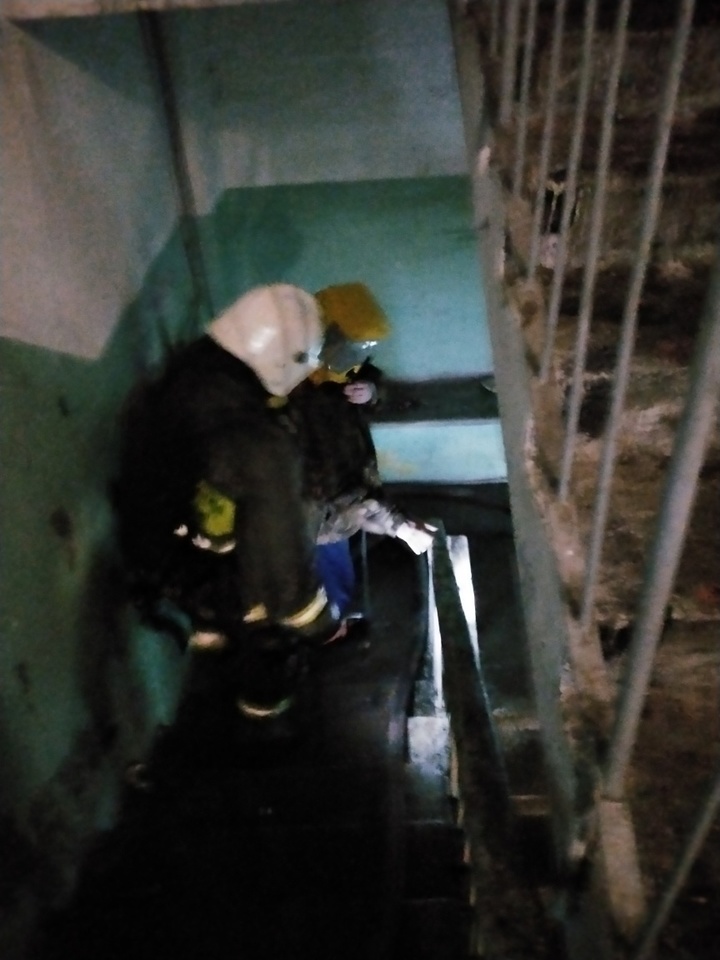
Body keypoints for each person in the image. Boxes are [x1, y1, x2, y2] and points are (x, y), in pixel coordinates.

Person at [114, 283, 341, 719]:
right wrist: (321, 626)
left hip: (159, 542)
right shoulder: (259, 446)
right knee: (270, 629)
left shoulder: (196, 371)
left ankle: (215, 645)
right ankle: (261, 712)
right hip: (182, 564)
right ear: (281, 360)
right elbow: (287, 590)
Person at [292, 282, 436, 640]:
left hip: (345, 499)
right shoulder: (301, 397)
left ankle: (336, 617)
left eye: (363, 349)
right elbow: (333, 493)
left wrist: (371, 392)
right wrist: (397, 524)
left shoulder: (336, 367)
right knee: (323, 561)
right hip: (322, 509)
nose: (356, 358)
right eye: (353, 348)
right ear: (326, 337)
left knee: (337, 555)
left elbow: (371, 376)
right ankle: (326, 627)